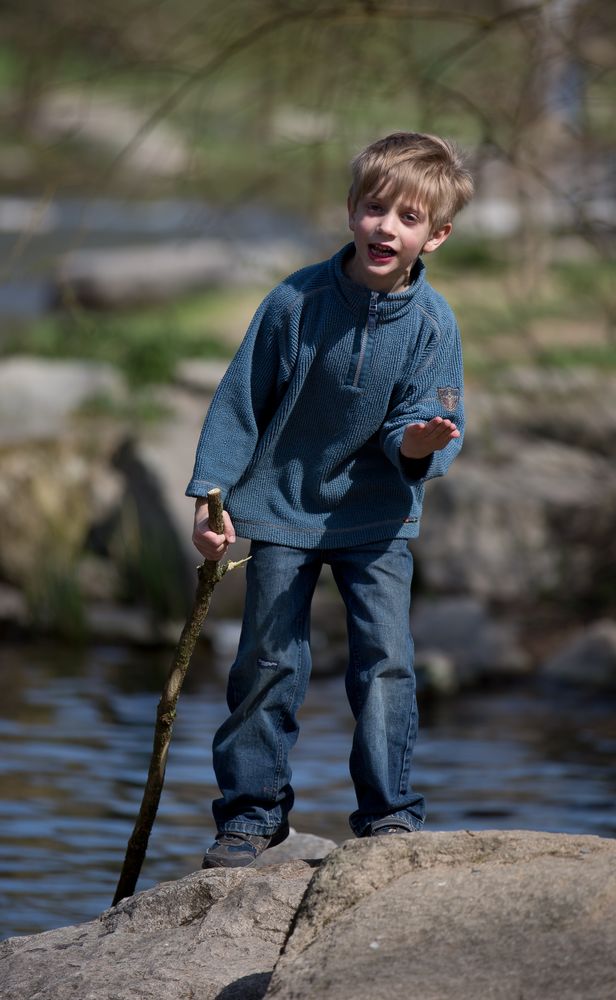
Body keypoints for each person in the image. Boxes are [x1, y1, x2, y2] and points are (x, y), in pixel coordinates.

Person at [187, 131, 474, 868]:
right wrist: (211, 496)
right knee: (268, 662)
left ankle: (388, 818)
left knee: (386, 665)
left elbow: (435, 423)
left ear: (435, 237)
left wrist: (421, 444)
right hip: (281, 505)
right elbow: (239, 403)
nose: (387, 227)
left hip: (378, 519)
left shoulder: (435, 326)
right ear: (351, 210)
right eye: (374, 208)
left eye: (408, 219)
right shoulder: (294, 301)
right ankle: (251, 816)